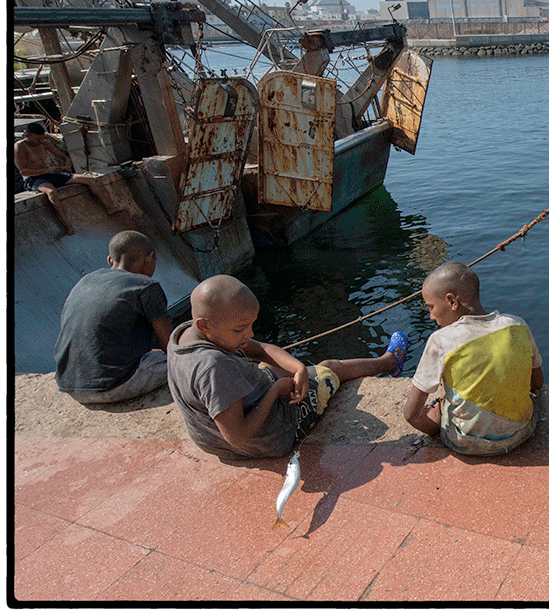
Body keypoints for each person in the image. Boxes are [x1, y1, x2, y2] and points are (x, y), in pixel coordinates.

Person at [167, 275, 407, 459]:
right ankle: (389, 362)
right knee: (329, 367)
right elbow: (239, 438)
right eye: (240, 329)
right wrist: (275, 392)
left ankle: (297, 375)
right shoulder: (213, 368)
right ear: (205, 325)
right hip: (273, 435)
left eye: (251, 325)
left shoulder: (184, 335)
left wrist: (299, 368)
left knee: (272, 365)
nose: (248, 334)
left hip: (212, 441)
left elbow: (259, 349)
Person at [402, 262, 543, 456]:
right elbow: (537, 382)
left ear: (452, 301)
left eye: (431, 307)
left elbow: (411, 414)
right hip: (521, 434)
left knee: (439, 406)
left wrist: (437, 430)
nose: (431, 316)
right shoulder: (517, 325)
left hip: (465, 443)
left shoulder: (440, 340)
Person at [55, 230, 173, 404]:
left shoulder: (85, 282)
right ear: (150, 257)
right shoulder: (146, 286)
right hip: (112, 386)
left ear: (110, 260)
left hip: (70, 385)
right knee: (193, 358)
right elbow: (171, 345)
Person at [14, 122, 124, 233]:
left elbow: (65, 157)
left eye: (42, 139)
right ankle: (68, 226)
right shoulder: (20, 147)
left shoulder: (45, 144)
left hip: (50, 174)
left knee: (90, 180)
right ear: (29, 136)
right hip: (33, 178)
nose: (40, 142)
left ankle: (110, 207)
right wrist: (48, 170)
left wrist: (67, 165)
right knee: (51, 192)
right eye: (37, 139)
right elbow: (23, 171)